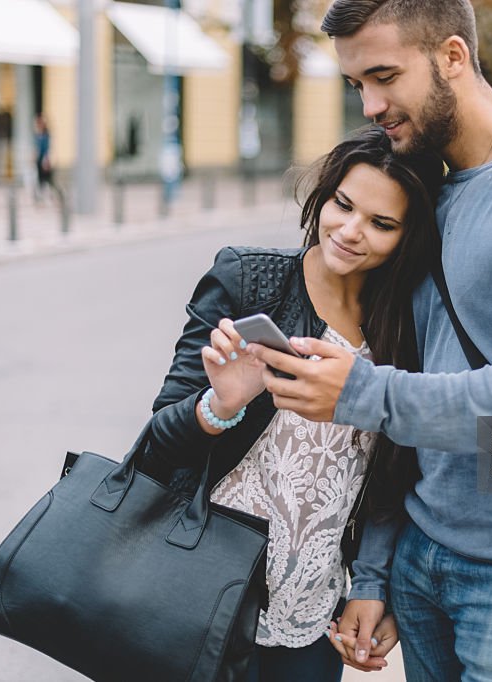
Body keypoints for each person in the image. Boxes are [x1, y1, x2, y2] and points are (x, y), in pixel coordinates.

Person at [247, 1, 492, 680]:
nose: (370, 104)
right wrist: (375, 571)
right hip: (422, 559)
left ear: (453, 57)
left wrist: (359, 390)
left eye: (384, 75)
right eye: (357, 85)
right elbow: (415, 398)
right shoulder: (431, 199)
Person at [140, 127, 444, 682]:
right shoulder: (249, 278)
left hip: (312, 614)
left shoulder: (405, 325)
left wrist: (372, 584)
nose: (351, 232)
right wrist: (219, 405)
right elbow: (155, 445)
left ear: (408, 237)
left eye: (381, 223)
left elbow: (393, 474)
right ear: (323, 195)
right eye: (343, 204)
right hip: (202, 595)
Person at [33, 113, 53, 203]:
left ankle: (48, 195)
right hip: (39, 159)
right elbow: (36, 147)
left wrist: (46, 159)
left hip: (45, 159)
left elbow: (47, 148)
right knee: (40, 178)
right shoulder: (37, 134)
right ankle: (41, 196)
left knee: (46, 178)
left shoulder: (46, 135)